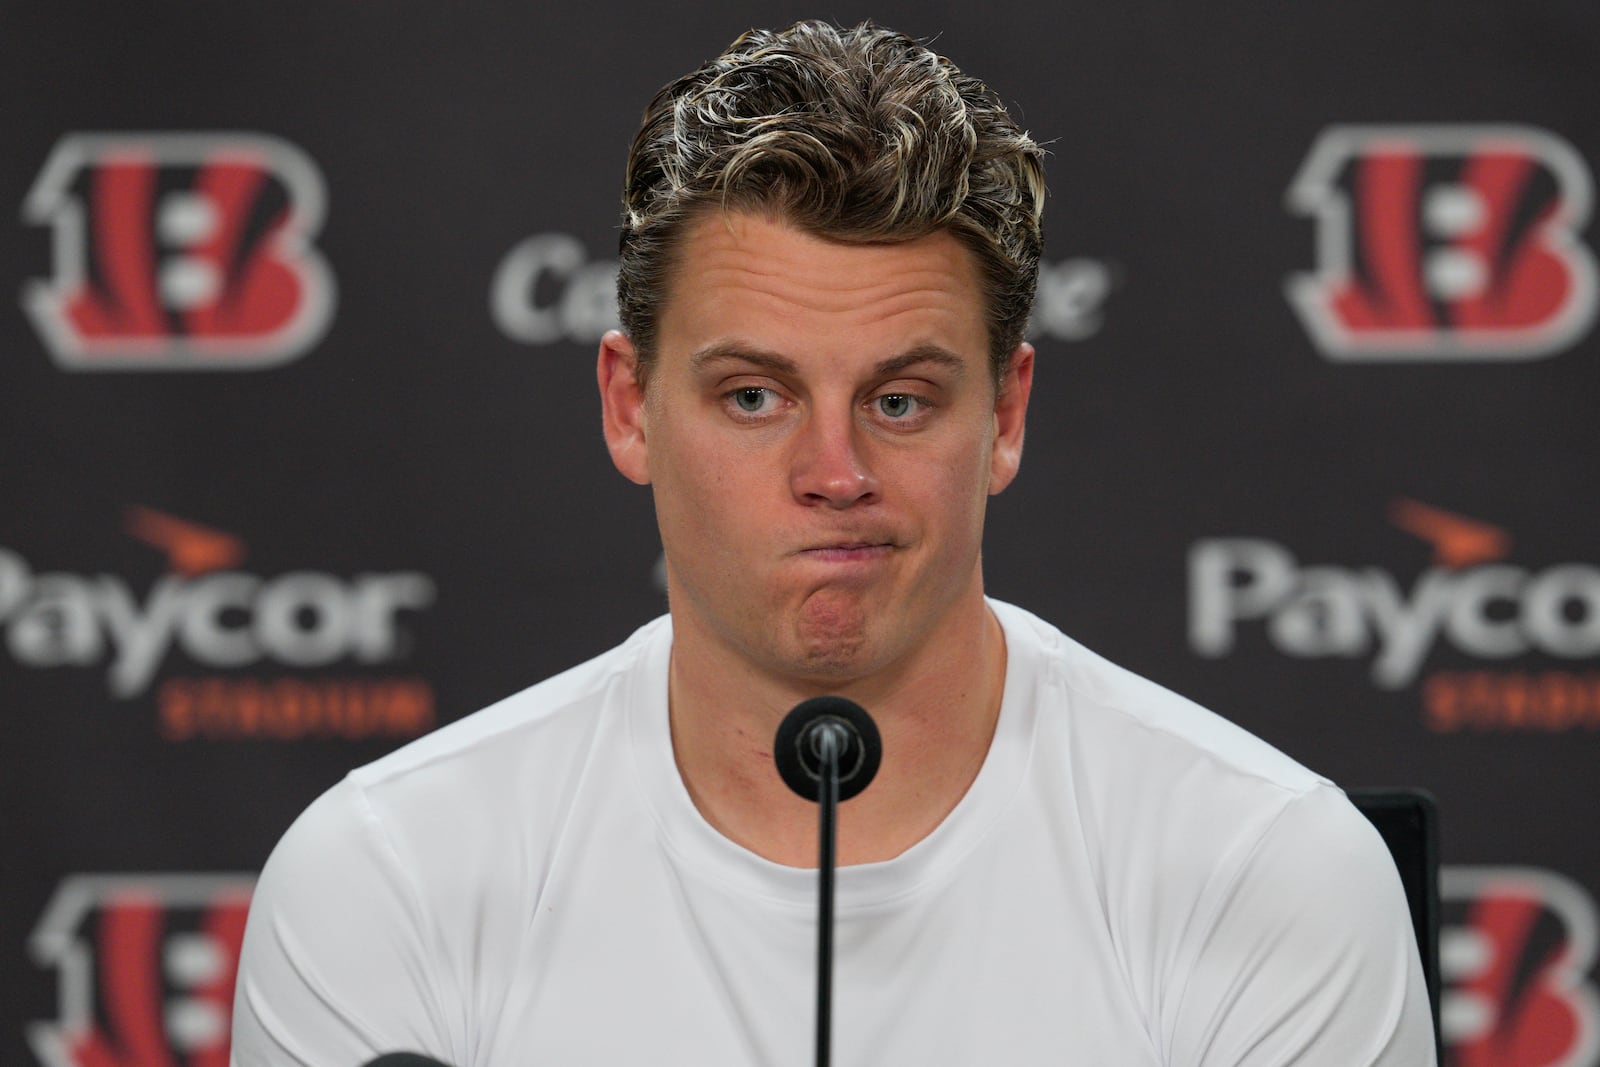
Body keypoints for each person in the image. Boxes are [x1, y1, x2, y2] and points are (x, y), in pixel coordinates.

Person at [232, 19, 1435, 1066]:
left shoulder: (1267, 872)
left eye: (900, 399)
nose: (835, 473)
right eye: (754, 396)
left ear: (1005, 415)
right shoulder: (385, 879)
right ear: (628, 406)